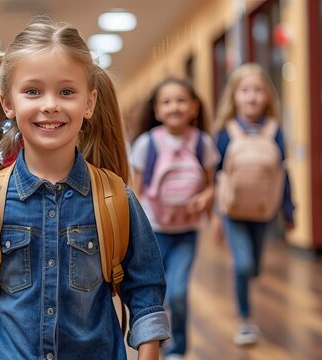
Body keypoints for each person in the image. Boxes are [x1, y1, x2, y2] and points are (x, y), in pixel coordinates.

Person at [0, 17, 170, 359]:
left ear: (89, 103)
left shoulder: (115, 199)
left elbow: (144, 289)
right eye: (32, 91)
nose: (50, 104)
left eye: (67, 91)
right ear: (8, 103)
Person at [130, 78, 220, 360]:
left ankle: (178, 347)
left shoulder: (203, 142)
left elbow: (210, 185)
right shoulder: (147, 143)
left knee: (178, 291)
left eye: (181, 100)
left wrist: (206, 199)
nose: (174, 107)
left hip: (186, 231)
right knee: (155, 292)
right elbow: (135, 189)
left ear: (194, 107)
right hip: (154, 230)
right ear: (156, 110)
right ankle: (156, 343)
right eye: (167, 102)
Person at [211, 63, 295, 346]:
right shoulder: (226, 132)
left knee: (255, 266)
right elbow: (214, 175)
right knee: (243, 265)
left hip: (262, 212)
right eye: (245, 90)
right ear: (234, 96)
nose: (252, 96)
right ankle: (245, 320)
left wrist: (289, 210)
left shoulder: (275, 131)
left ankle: (248, 279)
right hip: (231, 212)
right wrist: (213, 216)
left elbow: (284, 174)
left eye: (258, 90)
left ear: (268, 96)